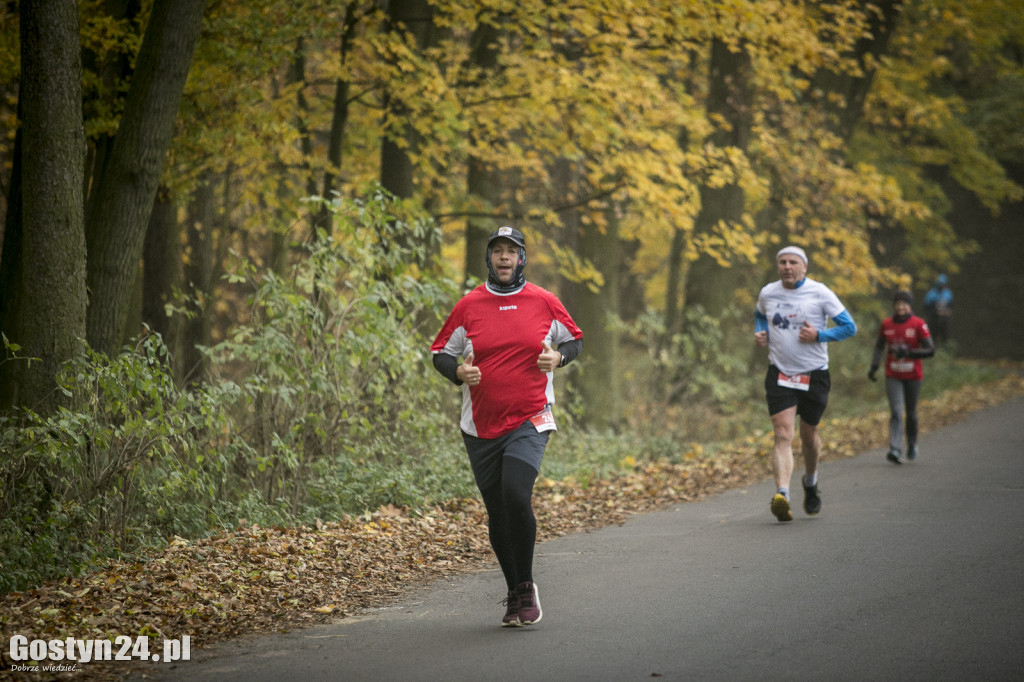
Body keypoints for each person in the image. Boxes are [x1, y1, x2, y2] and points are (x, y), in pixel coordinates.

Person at [430, 226, 583, 627]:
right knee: (497, 512)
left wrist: (560, 359)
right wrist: (459, 371)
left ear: (521, 259)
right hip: (480, 427)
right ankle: (514, 590)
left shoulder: (544, 301)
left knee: (516, 495)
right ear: (489, 258)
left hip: (531, 417)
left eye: (510, 251)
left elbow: (575, 340)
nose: (503, 257)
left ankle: (528, 585)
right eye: (497, 251)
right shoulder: (469, 306)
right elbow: (439, 353)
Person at [754, 246, 857, 522]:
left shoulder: (820, 292)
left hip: (814, 374)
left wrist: (820, 335)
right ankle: (782, 495)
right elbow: (759, 314)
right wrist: (759, 332)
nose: (787, 266)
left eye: (793, 262)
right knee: (782, 433)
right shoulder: (768, 292)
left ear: (804, 267)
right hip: (780, 373)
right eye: (783, 262)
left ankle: (810, 482)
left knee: (809, 437)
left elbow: (849, 327)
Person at [869, 290, 935, 464]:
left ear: (909, 306)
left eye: (904, 304)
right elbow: (879, 347)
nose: (900, 307)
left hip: (913, 375)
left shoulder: (918, 324)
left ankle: (912, 443)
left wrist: (910, 353)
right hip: (893, 375)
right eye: (897, 304)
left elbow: (930, 350)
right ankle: (895, 449)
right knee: (896, 411)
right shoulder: (887, 324)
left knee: (911, 412)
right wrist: (874, 366)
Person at [922, 274, 953, 346]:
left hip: (944, 318)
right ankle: (931, 346)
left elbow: (950, 306)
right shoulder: (931, 293)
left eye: (943, 283)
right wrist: (936, 312)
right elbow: (926, 308)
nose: (941, 285)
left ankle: (945, 347)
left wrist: (948, 311)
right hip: (933, 317)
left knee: (945, 333)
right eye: (940, 283)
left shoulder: (948, 293)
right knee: (932, 332)